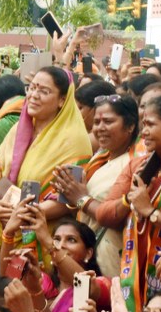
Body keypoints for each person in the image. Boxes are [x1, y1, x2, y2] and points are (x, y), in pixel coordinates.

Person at [0, 66, 91, 262]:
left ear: (62, 100)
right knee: (8, 287)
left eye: (44, 91)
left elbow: (68, 200)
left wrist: (23, 213)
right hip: (9, 231)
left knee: (35, 289)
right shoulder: (18, 129)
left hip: (43, 238)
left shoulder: (75, 139)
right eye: (32, 88)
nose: (34, 95)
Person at [97, 94, 161, 312]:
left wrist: (150, 212)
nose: (143, 132)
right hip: (136, 268)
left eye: (151, 125)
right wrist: (130, 202)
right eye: (144, 124)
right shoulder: (142, 165)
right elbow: (104, 212)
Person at [52, 94, 139, 277]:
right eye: (97, 122)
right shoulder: (101, 159)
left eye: (108, 121)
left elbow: (118, 213)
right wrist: (69, 192)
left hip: (112, 258)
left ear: (130, 126)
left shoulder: (134, 164)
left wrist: (81, 198)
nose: (100, 128)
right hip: (87, 256)